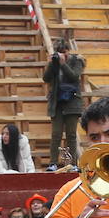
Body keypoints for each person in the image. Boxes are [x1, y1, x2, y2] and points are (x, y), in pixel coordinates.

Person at [44, 38, 85, 168]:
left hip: (72, 102)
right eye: (59, 52)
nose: (62, 54)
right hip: (57, 102)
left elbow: (74, 76)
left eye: (64, 52)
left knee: (71, 135)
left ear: (68, 51)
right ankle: (53, 163)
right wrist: (51, 64)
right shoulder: (54, 62)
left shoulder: (76, 60)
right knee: (56, 134)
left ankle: (72, 163)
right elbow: (46, 78)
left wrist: (63, 64)